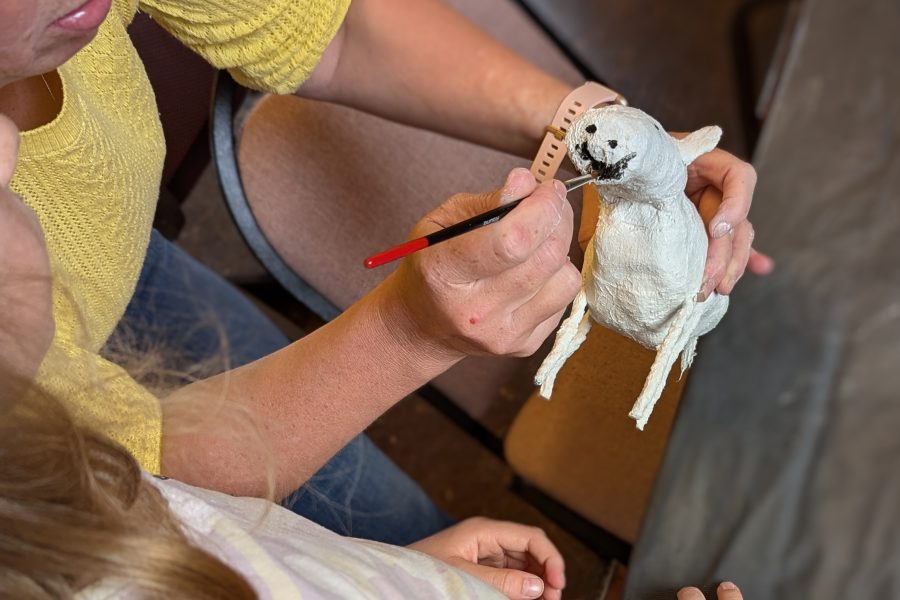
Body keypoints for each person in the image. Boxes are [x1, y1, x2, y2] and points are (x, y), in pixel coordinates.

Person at [0, 0, 772, 547]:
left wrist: (611, 134)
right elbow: (146, 495)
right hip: (63, 445)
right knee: (402, 535)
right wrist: (405, 331)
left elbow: (332, 28)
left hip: (120, 270)